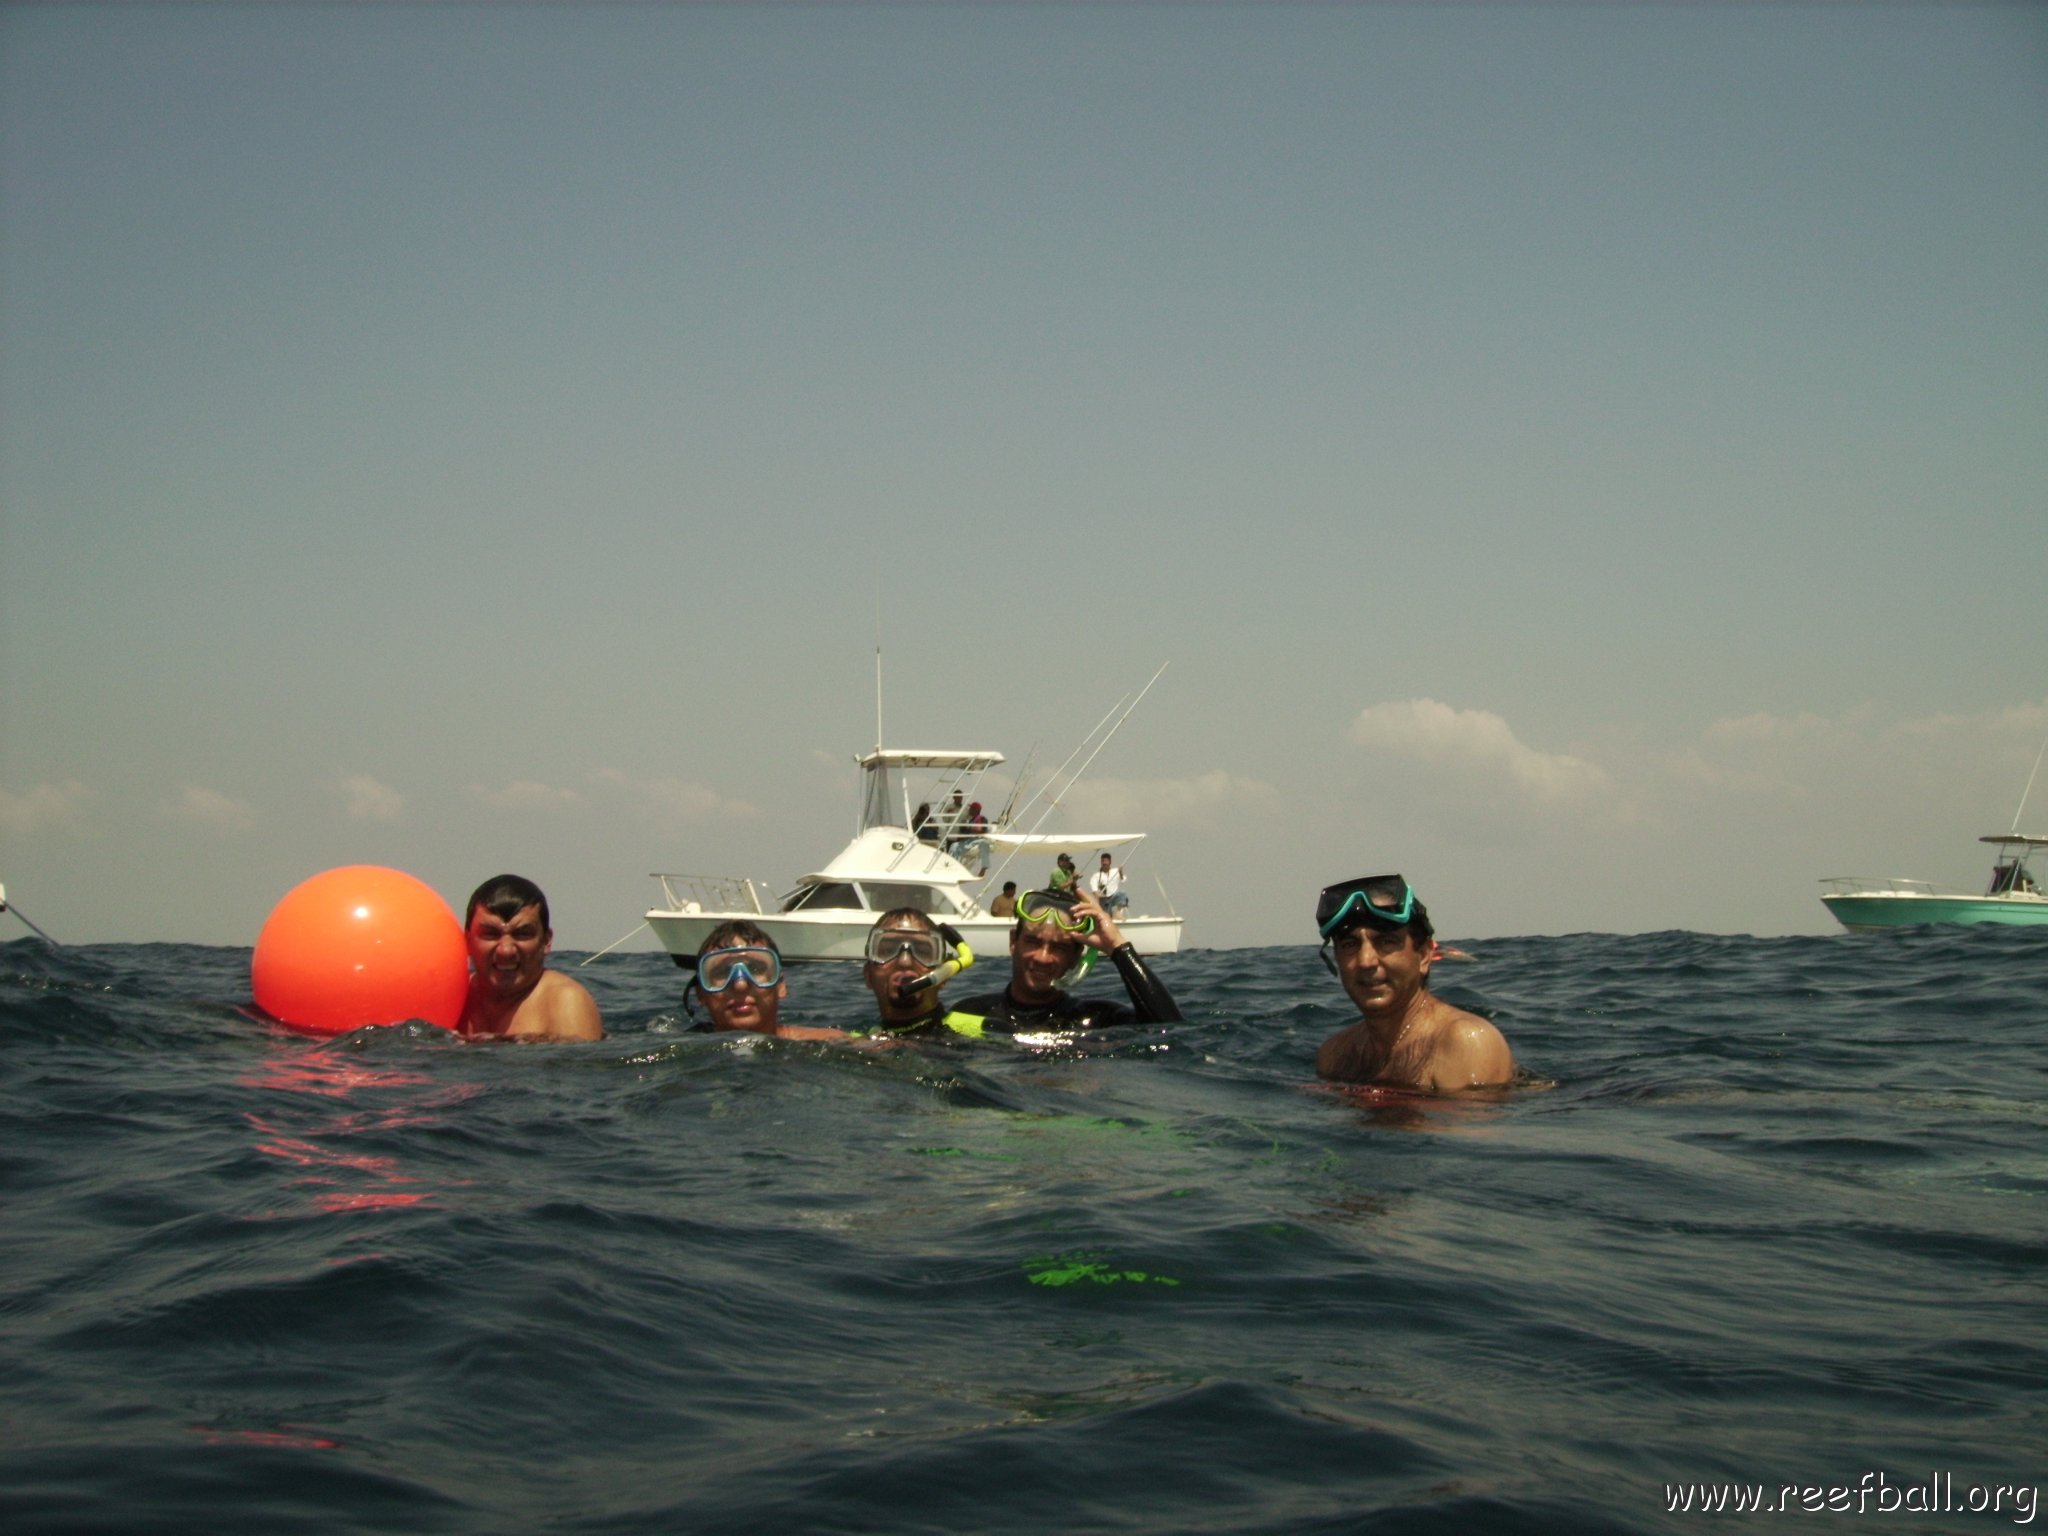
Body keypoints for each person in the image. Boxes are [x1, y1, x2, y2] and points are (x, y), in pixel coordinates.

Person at [1311, 874, 1512, 1091]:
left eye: (1386, 941)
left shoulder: (1466, 1044)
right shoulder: (1334, 1055)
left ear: (1425, 955)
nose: (1366, 961)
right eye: (1350, 944)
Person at [955, 885, 1180, 1032]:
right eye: (1033, 942)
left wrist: (1117, 947)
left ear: (1075, 957)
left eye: (1058, 948)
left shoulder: (1094, 1020)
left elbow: (1169, 1032)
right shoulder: (969, 1012)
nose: (1043, 958)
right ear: (1014, 942)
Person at [459, 874, 604, 1041]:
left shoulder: (565, 1002)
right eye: (491, 934)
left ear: (546, 941)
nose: (506, 950)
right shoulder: (453, 997)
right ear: (467, 941)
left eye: (522, 934)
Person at [688, 921, 846, 1040]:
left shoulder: (829, 1041)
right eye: (723, 972)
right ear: (701, 993)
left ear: (781, 985)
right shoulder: (685, 1049)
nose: (740, 984)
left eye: (755, 969)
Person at [859, 909, 989, 1038]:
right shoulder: (854, 1041)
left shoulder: (985, 1031)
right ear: (868, 975)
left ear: (944, 976)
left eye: (922, 952)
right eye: (887, 951)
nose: (905, 962)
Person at [1085, 852, 1130, 918]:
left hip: (1113, 896)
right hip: (1104, 899)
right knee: (1107, 916)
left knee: (1122, 893)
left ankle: (1118, 912)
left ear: (1110, 862)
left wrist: (1120, 872)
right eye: (1103, 861)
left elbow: (1123, 880)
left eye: (1106, 861)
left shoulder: (1115, 871)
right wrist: (1098, 895)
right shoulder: (1096, 875)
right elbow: (1094, 889)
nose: (1104, 863)